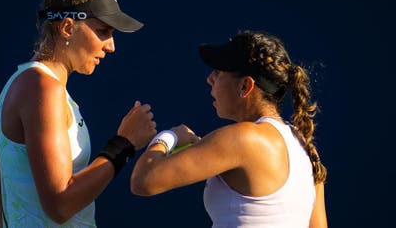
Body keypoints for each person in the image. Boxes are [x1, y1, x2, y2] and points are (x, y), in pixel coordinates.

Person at [0, 0, 157, 227]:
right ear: (68, 28)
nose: (111, 46)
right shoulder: (43, 90)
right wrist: (124, 144)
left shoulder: (25, 84)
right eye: (103, 31)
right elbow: (60, 204)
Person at [131, 30, 328, 228]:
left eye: (219, 71)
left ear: (245, 86)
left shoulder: (243, 138)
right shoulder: (304, 146)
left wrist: (170, 136)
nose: (210, 79)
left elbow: (143, 180)